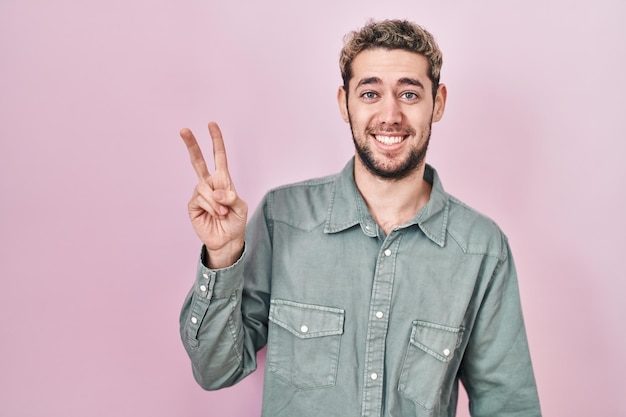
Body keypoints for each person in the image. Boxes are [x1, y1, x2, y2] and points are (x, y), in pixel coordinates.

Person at [178, 19, 541, 417]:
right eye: (370, 93)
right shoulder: (282, 220)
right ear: (344, 102)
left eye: (409, 93)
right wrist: (223, 255)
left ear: (437, 103)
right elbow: (216, 370)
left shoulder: (482, 250)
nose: (390, 114)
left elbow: (508, 405)